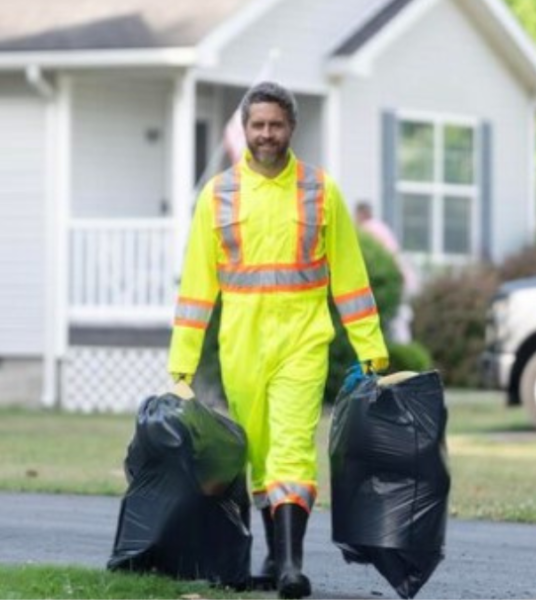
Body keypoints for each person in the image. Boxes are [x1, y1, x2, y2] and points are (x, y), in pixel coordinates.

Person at [168, 81, 389, 599]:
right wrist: (182, 362)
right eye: (258, 125)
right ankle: (272, 556)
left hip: (302, 341)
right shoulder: (217, 194)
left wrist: (371, 348)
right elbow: (196, 286)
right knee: (260, 451)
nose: (266, 134)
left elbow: (350, 277)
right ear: (245, 129)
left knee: (291, 448)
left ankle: (290, 566)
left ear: (292, 127)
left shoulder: (320, 190)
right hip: (241, 344)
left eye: (276, 125)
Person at [353, 200, 417, 342]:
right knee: (399, 317)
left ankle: (400, 347)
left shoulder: (368, 229)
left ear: (361, 214)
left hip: (395, 277)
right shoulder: (380, 227)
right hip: (403, 275)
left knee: (395, 320)